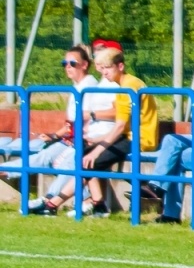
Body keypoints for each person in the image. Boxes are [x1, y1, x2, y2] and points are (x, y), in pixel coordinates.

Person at [22, 46, 104, 214]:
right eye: (64, 63)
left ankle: (50, 201)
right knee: (42, 155)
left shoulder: (89, 87)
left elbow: (86, 121)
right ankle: (50, 200)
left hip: (86, 139)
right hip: (75, 139)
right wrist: (54, 135)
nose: (67, 66)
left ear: (84, 65)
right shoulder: (77, 87)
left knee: (70, 162)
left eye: (72, 63)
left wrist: (70, 138)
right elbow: (71, 124)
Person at [80, 47, 159, 217]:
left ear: (120, 66)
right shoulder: (125, 84)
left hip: (140, 139)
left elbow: (120, 126)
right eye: (102, 68)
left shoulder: (129, 87)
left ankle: (53, 202)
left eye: (108, 68)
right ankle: (98, 204)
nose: (104, 72)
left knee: (90, 161)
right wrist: (97, 141)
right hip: (130, 136)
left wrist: (98, 150)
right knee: (85, 153)